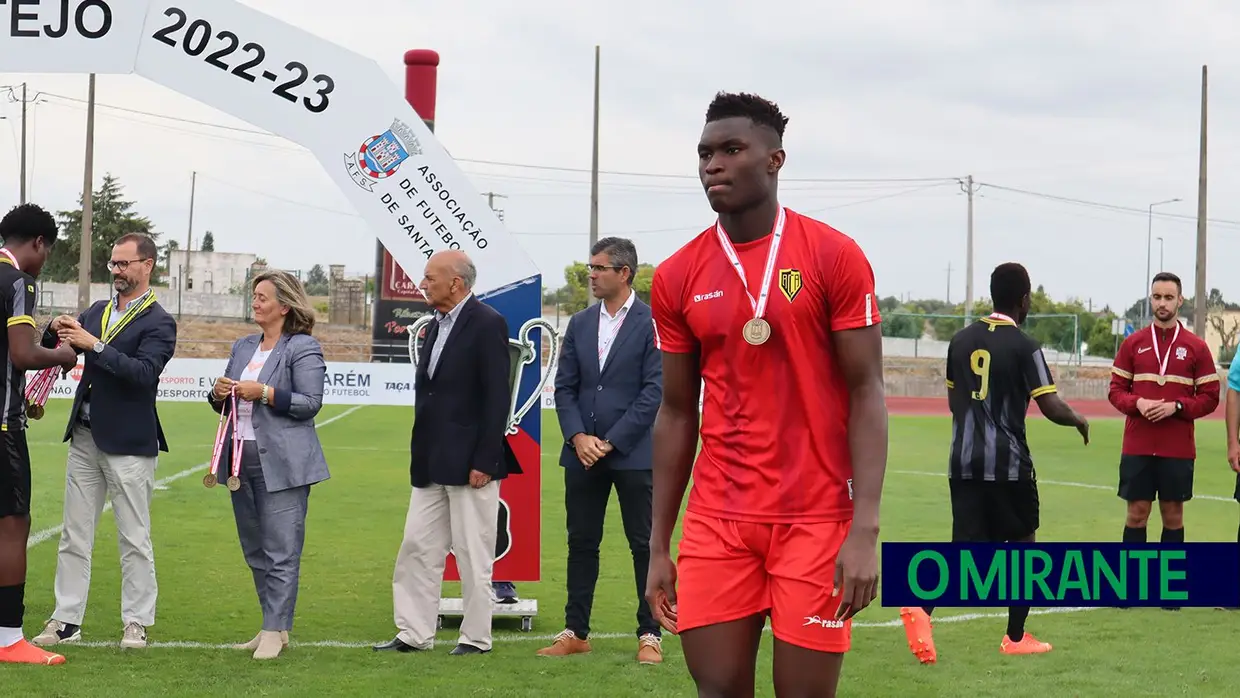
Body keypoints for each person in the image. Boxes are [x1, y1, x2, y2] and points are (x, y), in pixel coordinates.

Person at [646, 91, 888, 697]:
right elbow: (676, 412)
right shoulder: (677, 275)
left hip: (816, 520)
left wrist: (864, 530)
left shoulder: (833, 255)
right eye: (705, 153)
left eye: (731, 150)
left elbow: (867, 392)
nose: (713, 165)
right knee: (718, 688)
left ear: (775, 159)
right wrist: (658, 545)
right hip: (718, 521)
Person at [898, 262, 1090, 664]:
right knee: (1023, 549)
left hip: (963, 462)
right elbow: (1050, 405)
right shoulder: (1025, 345)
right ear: (1025, 300)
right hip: (1008, 465)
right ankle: (1015, 637)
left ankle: (922, 605)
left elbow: (955, 402)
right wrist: (1078, 419)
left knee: (964, 550)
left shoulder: (960, 340)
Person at [31, 233, 177, 651]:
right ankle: (66, 618)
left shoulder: (160, 322)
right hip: (85, 435)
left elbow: (144, 374)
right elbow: (59, 347)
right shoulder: (98, 310)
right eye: (113, 263)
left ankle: (136, 621)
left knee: (134, 537)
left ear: (147, 265)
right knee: (74, 534)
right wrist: (54, 329)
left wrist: (93, 344)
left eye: (125, 263)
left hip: (129, 442)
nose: (117, 270)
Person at [374, 250, 520, 656]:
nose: (423, 285)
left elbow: (497, 396)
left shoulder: (487, 323)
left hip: (471, 462)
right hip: (430, 460)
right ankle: (413, 632)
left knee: (473, 553)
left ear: (455, 283)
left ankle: (475, 638)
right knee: (416, 547)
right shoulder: (436, 325)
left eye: (429, 278)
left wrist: (485, 459)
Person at [538, 237, 664, 664]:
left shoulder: (652, 323)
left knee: (643, 544)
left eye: (598, 268)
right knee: (581, 542)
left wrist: (610, 442)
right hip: (582, 454)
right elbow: (565, 387)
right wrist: (578, 437)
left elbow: (653, 392)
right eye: (590, 267)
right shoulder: (580, 323)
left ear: (624, 273)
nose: (590, 275)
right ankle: (576, 631)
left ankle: (650, 634)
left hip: (632, 454)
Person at [205, 270, 329, 660]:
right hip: (239, 459)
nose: (255, 303)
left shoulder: (303, 347)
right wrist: (218, 393)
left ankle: (275, 629)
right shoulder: (243, 346)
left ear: (285, 306)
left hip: (283, 462)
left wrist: (265, 393)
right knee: (255, 549)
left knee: (281, 550)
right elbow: (224, 405)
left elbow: (310, 403)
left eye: (262, 297)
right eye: (254, 296)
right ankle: (271, 625)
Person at [0, 204, 79, 666]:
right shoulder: (19, 282)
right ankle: (10, 639)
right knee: (13, 527)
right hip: (3, 426)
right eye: (47, 252)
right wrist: (63, 354)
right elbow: (22, 355)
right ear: (38, 243)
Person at [1107, 272, 1218, 580]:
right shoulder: (1133, 343)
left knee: (1173, 516)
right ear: (1150, 299)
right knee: (1136, 514)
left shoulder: (1196, 347)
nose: (1162, 303)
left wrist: (1177, 407)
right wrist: (1138, 403)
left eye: (1169, 297)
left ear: (1180, 300)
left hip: (1177, 448)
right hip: (1138, 446)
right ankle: (1132, 585)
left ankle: (1169, 587)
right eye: (1157, 297)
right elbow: (1115, 391)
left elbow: (1210, 397)